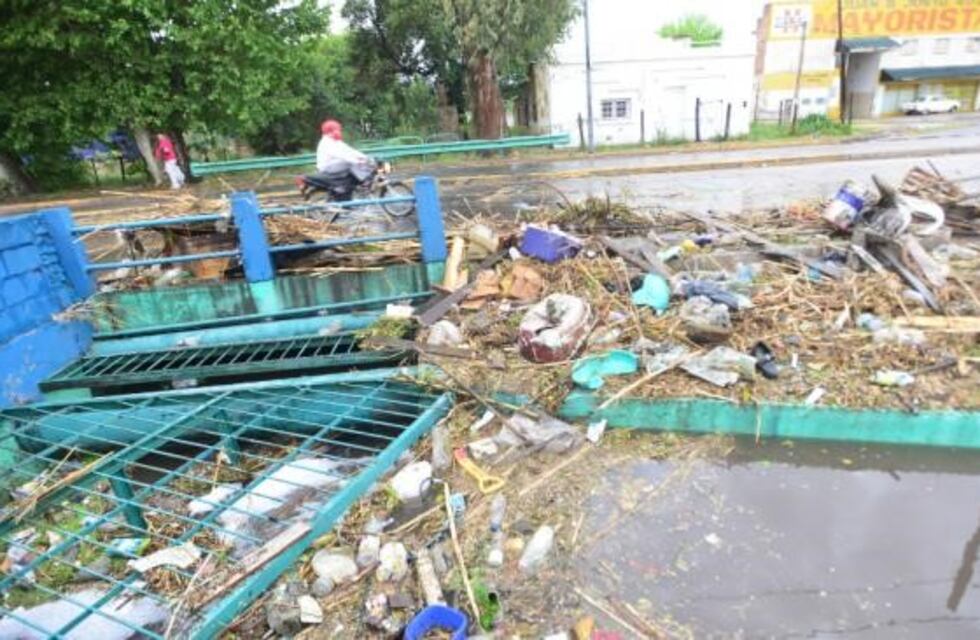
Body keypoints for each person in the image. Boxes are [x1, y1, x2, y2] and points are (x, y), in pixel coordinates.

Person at [309, 120, 374, 198]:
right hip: (327, 167)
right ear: (330, 130)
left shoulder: (334, 141)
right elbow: (341, 155)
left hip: (334, 164)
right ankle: (364, 181)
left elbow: (349, 150)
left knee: (352, 163)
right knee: (349, 163)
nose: (339, 131)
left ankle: (359, 184)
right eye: (336, 129)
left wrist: (364, 157)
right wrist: (356, 161)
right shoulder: (327, 142)